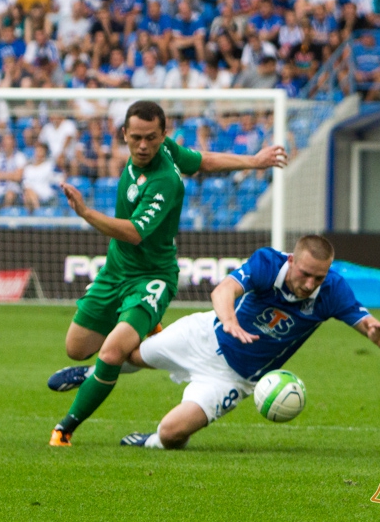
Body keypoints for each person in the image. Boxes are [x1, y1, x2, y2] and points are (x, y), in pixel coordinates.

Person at [47, 100, 287, 447]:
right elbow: (204, 160)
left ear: (163, 136)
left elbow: (132, 232)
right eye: (137, 138)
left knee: (112, 353)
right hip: (115, 271)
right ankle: (142, 336)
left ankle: (65, 429)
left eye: (152, 138)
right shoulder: (166, 151)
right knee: (75, 348)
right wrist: (254, 160)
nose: (144, 146)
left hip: (152, 278)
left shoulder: (164, 181)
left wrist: (85, 212)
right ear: (125, 134)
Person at [67, 235, 380, 449]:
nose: (309, 284)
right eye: (305, 273)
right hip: (205, 334)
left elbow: (366, 322)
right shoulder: (268, 262)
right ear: (291, 260)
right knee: (130, 355)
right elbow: (223, 290)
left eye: (317, 278)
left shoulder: (333, 290)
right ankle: (93, 376)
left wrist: (376, 333)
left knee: (171, 434)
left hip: (233, 378)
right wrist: (229, 320)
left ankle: (148, 442)